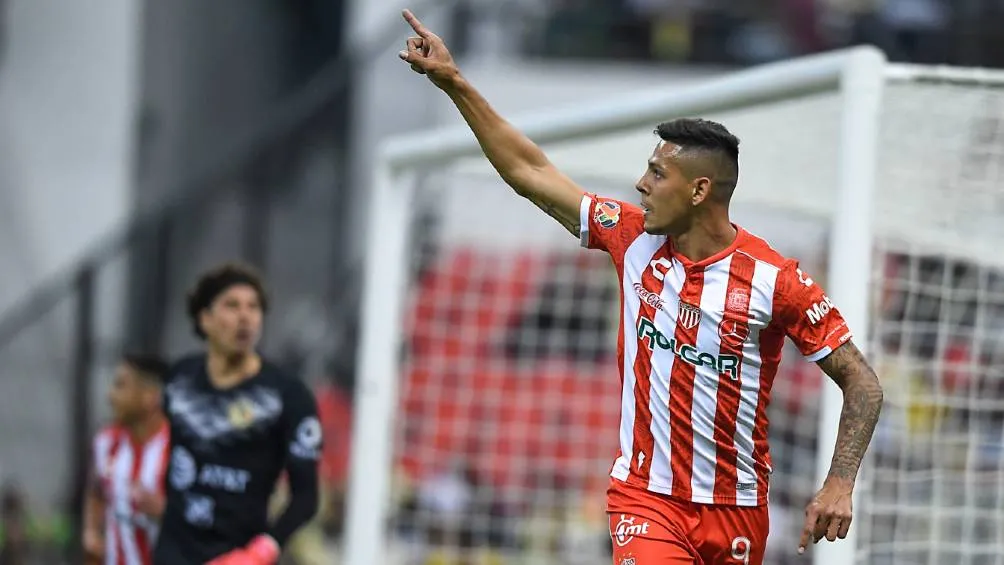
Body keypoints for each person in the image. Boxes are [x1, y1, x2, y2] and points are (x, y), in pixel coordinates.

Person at [397, 10, 884, 564]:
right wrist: (457, 85)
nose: (640, 183)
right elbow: (530, 172)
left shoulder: (775, 280)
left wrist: (840, 482)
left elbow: (862, 383)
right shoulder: (631, 238)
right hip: (645, 498)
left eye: (657, 173)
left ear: (700, 190)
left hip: (737, 507)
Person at [153, 263, 321, 565]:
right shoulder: (178, 381)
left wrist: (261, 551)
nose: (245, 317)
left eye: (254, 308)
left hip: (238, 555)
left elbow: (306, 497)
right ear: (205, 318)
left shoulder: (287, 395)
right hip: (173, 553)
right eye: (232, 306)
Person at [82, 353, 171, 565]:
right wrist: (91, 532)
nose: (111, 395)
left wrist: (164, 512)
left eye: (121, 386)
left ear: (150, 396)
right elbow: (96, 489)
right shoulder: (107, 442)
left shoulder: (178, 448)